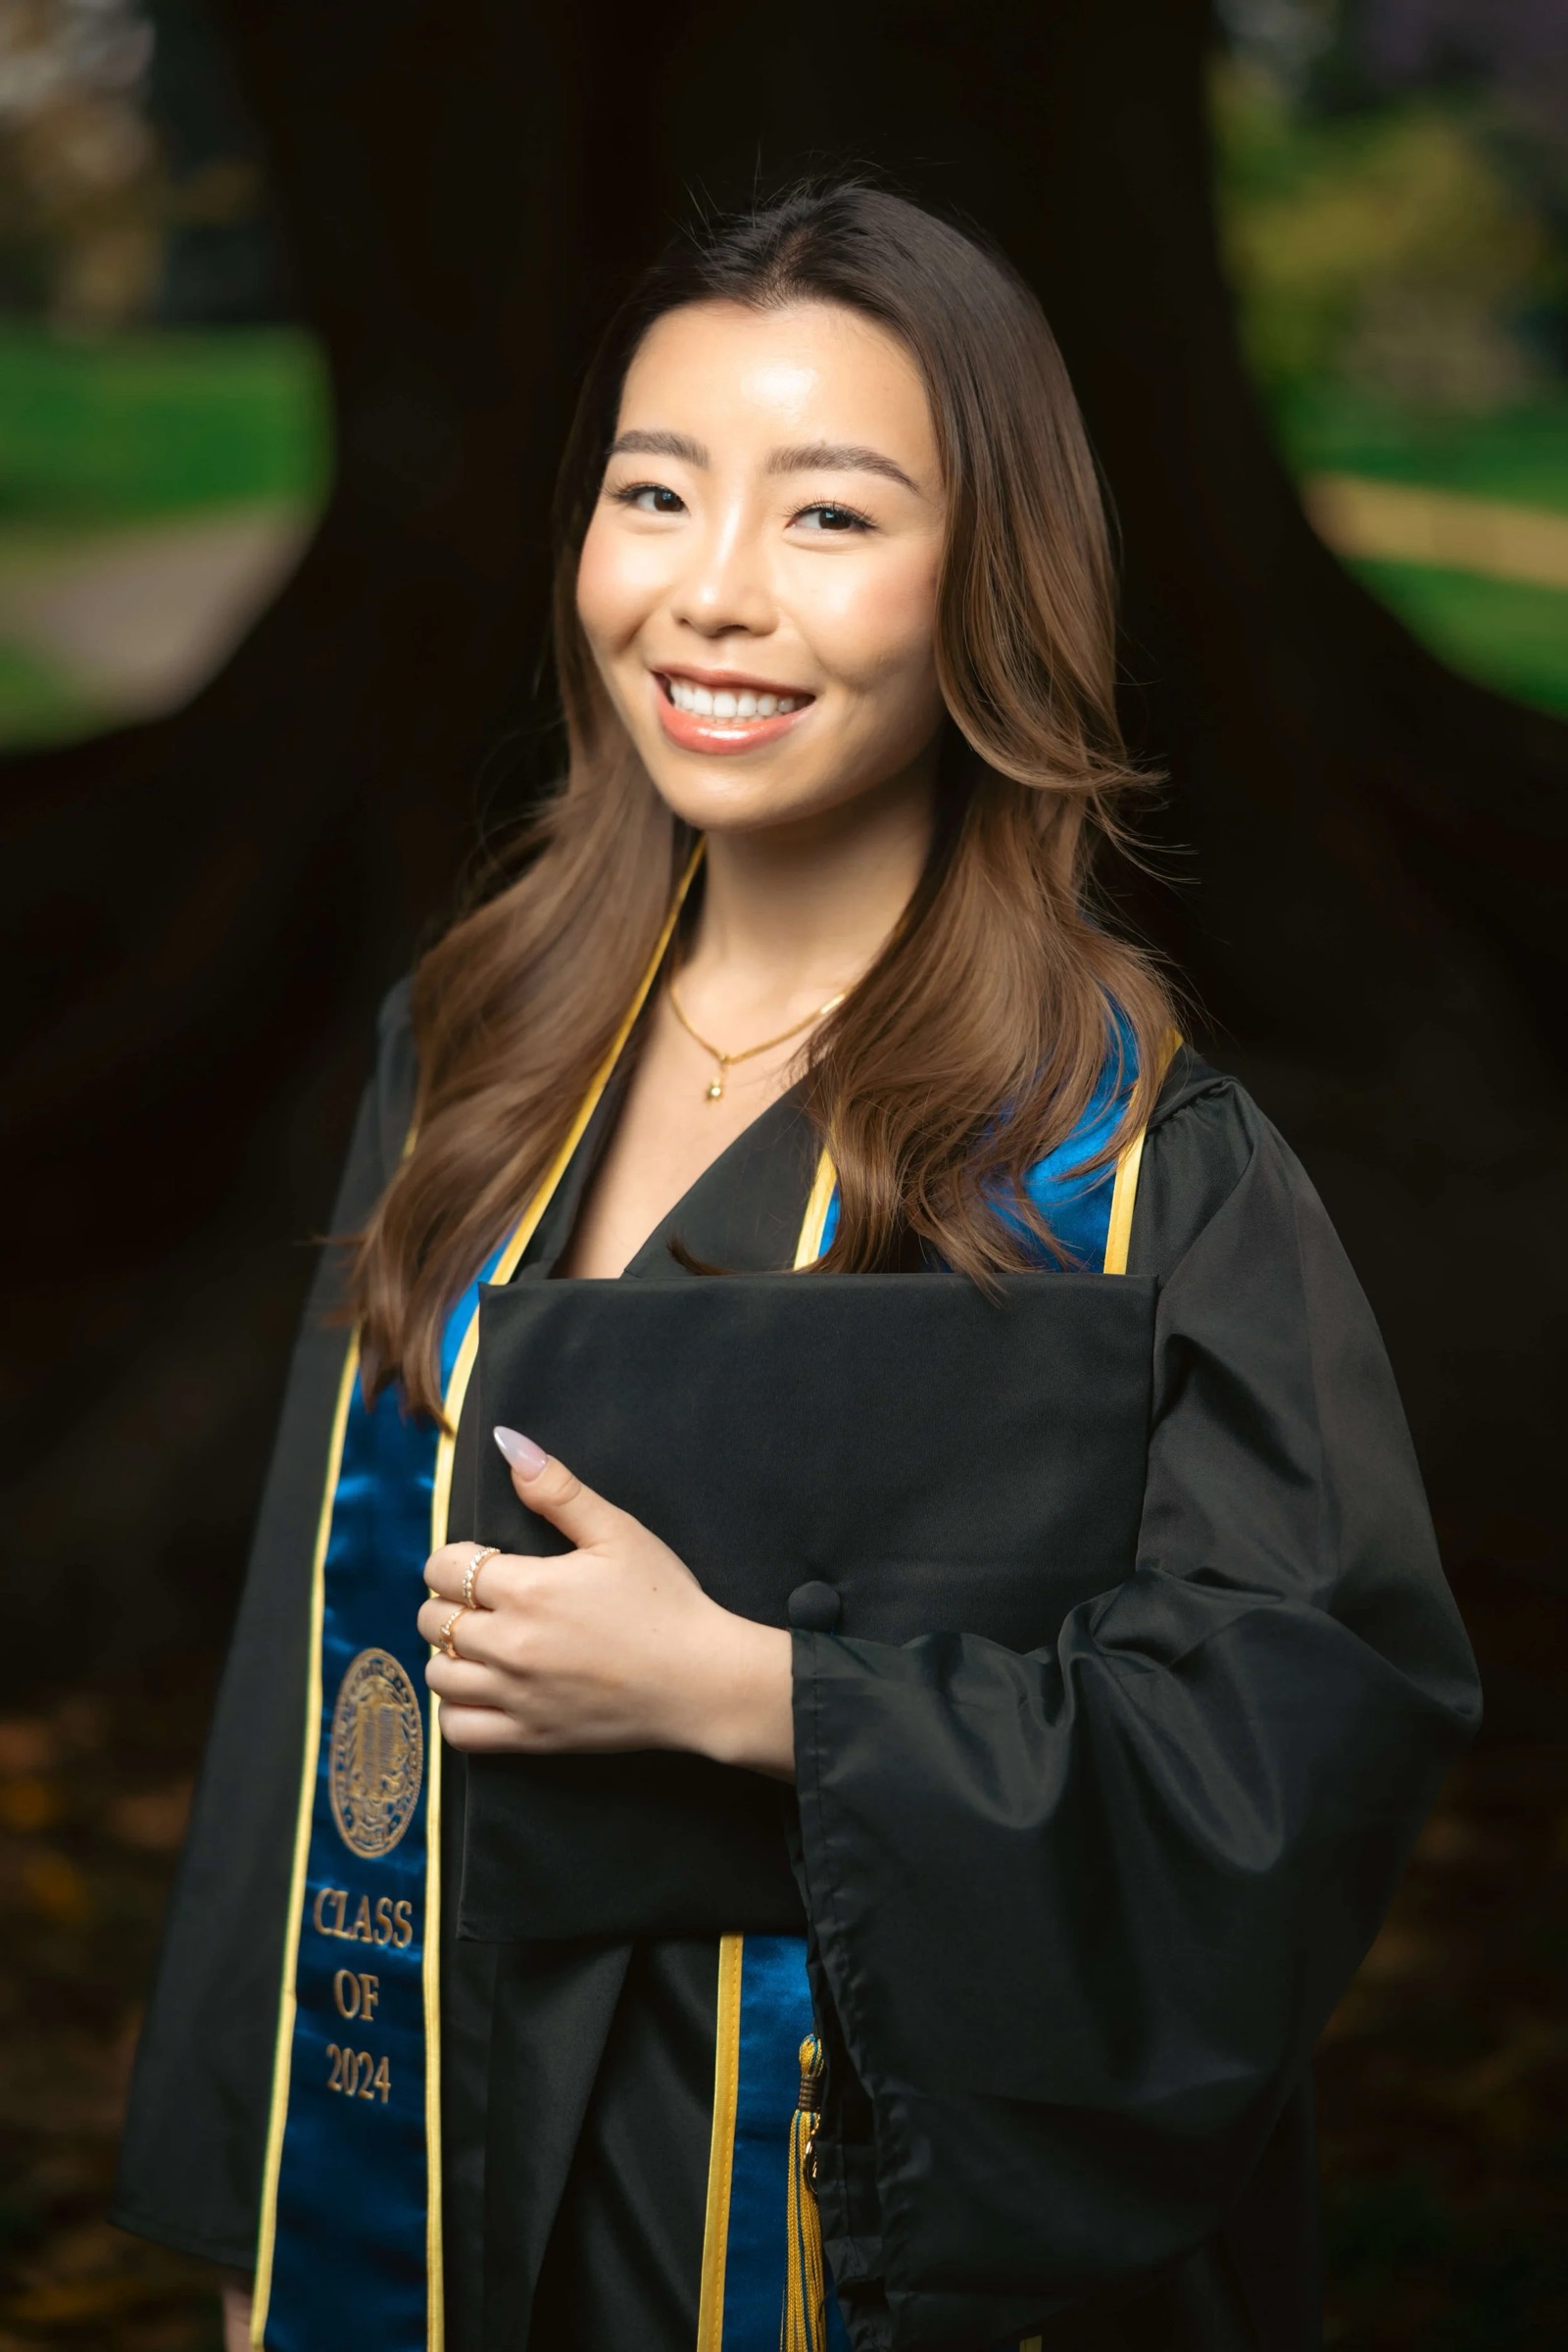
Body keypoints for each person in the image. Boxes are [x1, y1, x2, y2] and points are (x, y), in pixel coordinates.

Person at [112, 180, 1479, 2352]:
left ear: (986, 581)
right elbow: (323, 1672)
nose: (711, 597)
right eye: (655, 493)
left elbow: (1283, 1758)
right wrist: (278, 2184)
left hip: (845, 2217)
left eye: (828, 517)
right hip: (448, 2174)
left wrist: (752, 1697)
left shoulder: (1124, 1168)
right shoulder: (471, 1045)